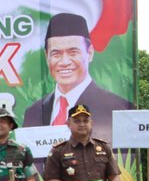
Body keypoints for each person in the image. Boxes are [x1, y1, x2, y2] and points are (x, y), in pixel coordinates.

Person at [22, 12, 133, 148]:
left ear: (90, 53)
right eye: (56, 53)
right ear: (47, 57)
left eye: (73, 52)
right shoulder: (33, 113)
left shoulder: (118, 109)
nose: (64, 62)